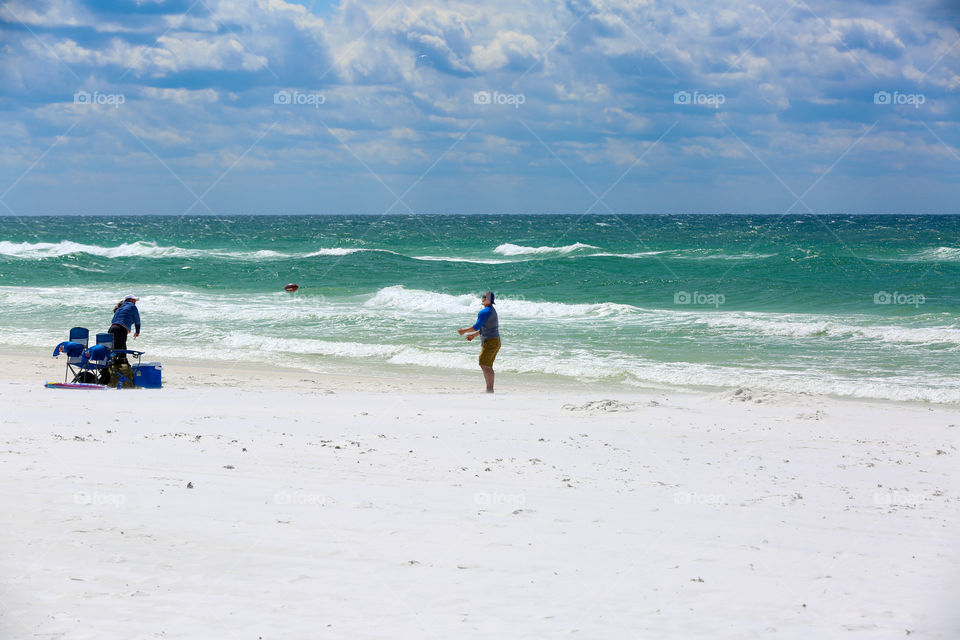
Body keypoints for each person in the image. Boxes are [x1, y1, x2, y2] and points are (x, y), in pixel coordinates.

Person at [458, 291, 500, 393]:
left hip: (490, 342)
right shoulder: (491, 310)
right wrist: (473, 335)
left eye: (484, 297)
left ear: (488, 299)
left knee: (484, 365)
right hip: (495, 341)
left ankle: (489, 389)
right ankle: (490, 389)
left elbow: (476, 326)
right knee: (487, 366)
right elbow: (484, 328)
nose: (482, 298)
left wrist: (464, 331)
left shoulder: (485, 312)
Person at [109, 294, 141, 364]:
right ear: (129, 300)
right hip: (120, 330)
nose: (135, 302)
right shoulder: (132, 306)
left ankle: (121, 368)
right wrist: (137, 331)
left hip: (111, 329)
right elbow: (137, 320)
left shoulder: (120, 308)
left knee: (116, 350)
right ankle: (119, 369)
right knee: (120, 352)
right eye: (134, 300)